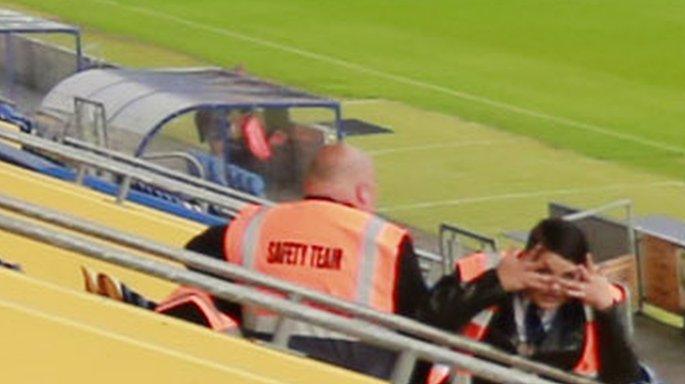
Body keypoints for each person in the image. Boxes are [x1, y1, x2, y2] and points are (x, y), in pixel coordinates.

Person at [158, 143, 435, 374]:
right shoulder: (386, 241)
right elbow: (421, 321)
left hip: (262, 366)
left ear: (308, 183)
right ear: (363, 193)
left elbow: (196, 255)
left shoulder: (256, 224)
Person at [425, 218, 645, 384]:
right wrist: (494, 284)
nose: (555, 287)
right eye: (544, 272)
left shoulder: (599, 300)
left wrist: (605, 311)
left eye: (568, 277)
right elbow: (424, 321)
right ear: (524, 258)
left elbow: (625, 378)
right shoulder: (482, 272)